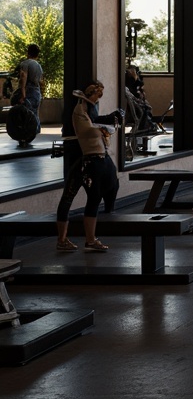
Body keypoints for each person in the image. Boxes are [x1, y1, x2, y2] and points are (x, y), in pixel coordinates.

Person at [55, 81, 121, 252]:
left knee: (96, 197)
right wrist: (103, 129)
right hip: (86, 158)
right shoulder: (80, 110)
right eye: (96, 95)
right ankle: (62, 239)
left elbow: (95, 123)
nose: (98, 98)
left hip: (98, 157)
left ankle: (90, 239)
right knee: (68, 197)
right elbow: (86, 130)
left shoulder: (91, 109)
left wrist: (108, 122)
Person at [14, 43, 44, 139]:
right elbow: (41, 81)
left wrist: (23, 95)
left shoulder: (25, 64)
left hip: (29, 91)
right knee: (35, 113)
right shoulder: (39, 66)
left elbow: (23, 79)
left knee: (26, 115)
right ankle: (35, 133)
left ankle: (26, 137)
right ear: (37, 54)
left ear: (28, 53)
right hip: (37, 92)